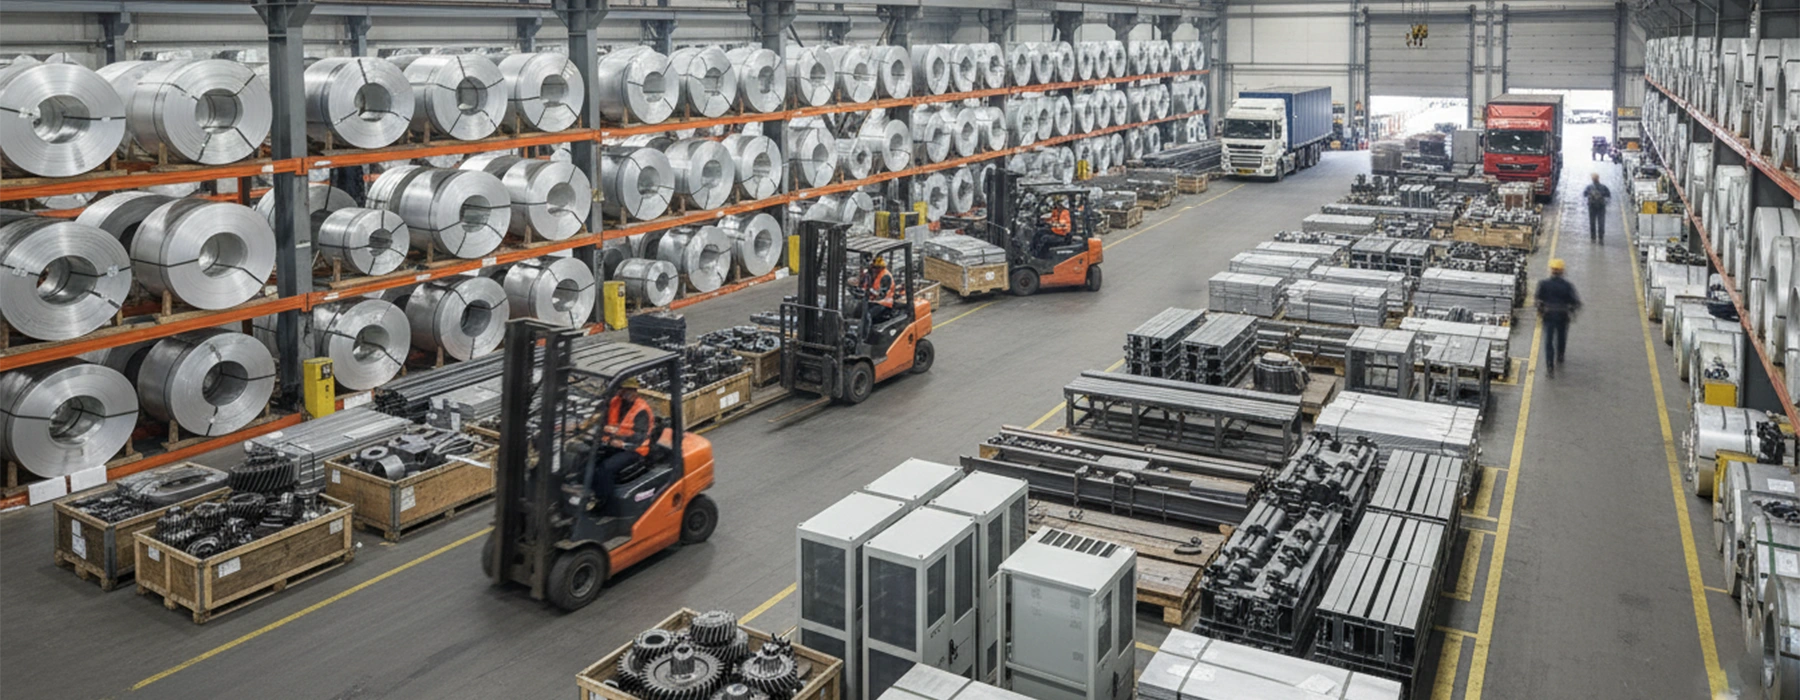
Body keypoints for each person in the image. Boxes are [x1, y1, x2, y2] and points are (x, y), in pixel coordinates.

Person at [591, 378, 654, 514]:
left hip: (635, 449)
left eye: (629, 390)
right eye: (623, 390)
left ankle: (606, 505)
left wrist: (622, 443)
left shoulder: (641, 410)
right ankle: (590, 494)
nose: (625, 393)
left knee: (606, 468)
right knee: (588, 458)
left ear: (634, 391)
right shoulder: (615, 402)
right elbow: (601, 419)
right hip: (613, 444)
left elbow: (639, 437)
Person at [1535, 259, 1582, 378]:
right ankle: (1560, 355)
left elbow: (1538, 299)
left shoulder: (1544, 284)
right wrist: (1571, 310)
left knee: (1548, 341)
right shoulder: (1567, 286)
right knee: (1561, 337)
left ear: (1551, 271)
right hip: (1563, 315)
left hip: (1549, 315)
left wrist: (1540, 310)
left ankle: (1550, 367)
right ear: (1562, 271)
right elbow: (1575, 302)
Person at [1584, 172, 1612, 243]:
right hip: (1601, 207)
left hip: (1592, 207)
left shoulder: (1589, 187)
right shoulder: (1603, 187)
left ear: (1592, 179)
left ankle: (1593, 237)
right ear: (1598, 178)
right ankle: (1601, 237)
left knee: (1592, 222)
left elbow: (1584, 194)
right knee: (1601, 222)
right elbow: (1608, 195)